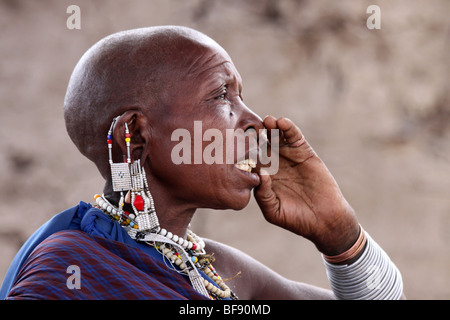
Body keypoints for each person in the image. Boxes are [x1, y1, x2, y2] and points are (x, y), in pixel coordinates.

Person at [1, 26, 403, 300]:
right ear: (135, 136)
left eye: (241, 95)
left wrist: (339, 235)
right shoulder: (68, 269)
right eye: (220, 96)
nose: (253, 121)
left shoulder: (215, 268)